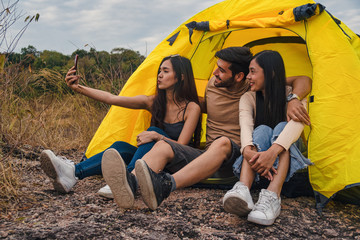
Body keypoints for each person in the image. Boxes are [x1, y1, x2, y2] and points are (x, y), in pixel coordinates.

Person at [102, 46, 312, 211]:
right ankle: (130, 182)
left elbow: (302, 79)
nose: (214, 74)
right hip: (206, 155)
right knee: (163, 146)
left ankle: (165, 184)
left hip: (235, 155)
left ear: (240, 76)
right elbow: (195, 100)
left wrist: (293, 98)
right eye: (216, 67)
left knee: (222, 142)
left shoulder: (251, 87)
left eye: (221, 70)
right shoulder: (214, 84)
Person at [40, 55, 202, 202]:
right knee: (121, 147)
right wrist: (78, 88)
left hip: (177, 163)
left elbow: (181, 146)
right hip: (152, 164)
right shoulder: (154, 101)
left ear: (180, 77)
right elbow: (112, 98)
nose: (159, 75)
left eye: (165, 71)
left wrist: (157, 137)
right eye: (160, 71)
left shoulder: (191, 107)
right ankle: (73, 172)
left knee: (154, 132)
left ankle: (128, 180)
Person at [222, 50, 312, 226]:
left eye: (253, 71)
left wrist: (273, 151)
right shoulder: (248, 97)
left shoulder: (293, 95)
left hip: (289, 164)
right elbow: (246, 126)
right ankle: (243, 189)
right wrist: (247, 150)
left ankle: (273, 196)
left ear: (270, 73)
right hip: (260, 163)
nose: (248, 77)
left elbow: (297, 126)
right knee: (261, 129)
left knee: (281, 128)